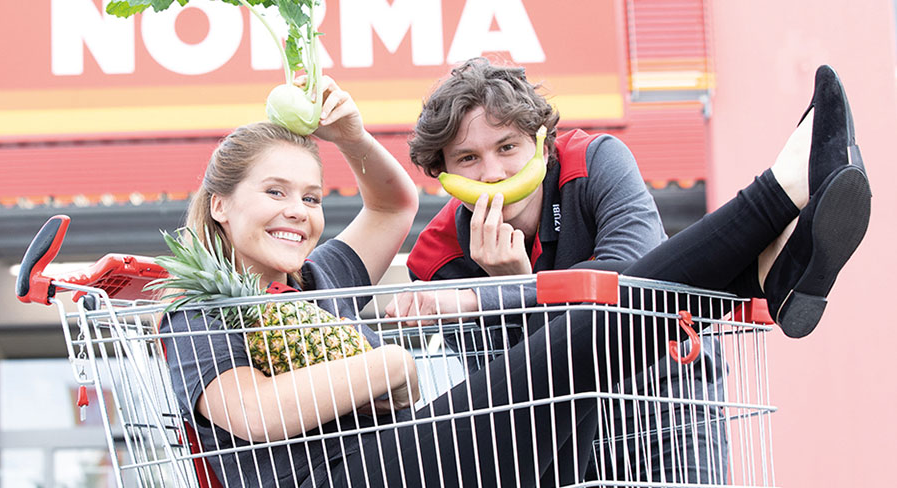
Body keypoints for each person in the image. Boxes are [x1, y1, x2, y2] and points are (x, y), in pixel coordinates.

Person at [160, 67, 871, 488]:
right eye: (274, 194)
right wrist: (390, 363)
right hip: (346, 474)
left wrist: (346, 135)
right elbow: (254, 415)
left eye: (312, 198)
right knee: (560, 358)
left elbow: (391, 203)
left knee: (574, 352)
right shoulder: (201, 309)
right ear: (219, 205)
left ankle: (772, 248)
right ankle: (776, 209)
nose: (299, 214)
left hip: (412, 455)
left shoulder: (318, 283)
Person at [399, 57, 728, 484]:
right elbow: (509, 383)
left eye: (507, 147)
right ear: (443, 173)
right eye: (467, 158)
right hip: (562, 437)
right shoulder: (436, 258)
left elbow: (634, 275)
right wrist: (515, 286)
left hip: (665, 402)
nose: (493, 173)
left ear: (541, 143)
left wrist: (493, 295)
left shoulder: (597, 162)